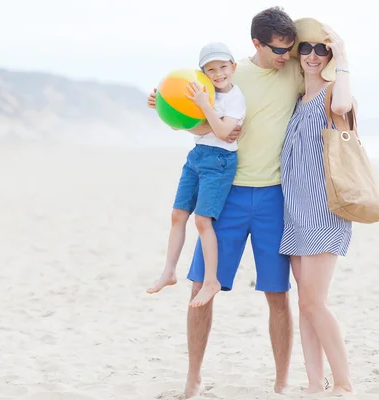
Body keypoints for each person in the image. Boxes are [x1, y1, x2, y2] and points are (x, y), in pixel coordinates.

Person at [147, 7, 304, 397]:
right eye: (278, 49)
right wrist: (163, 104)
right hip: (228, 191)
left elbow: (330, 77)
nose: (285, 55)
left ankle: (282, 380)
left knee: (277, 294)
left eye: (289, 48)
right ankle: (194, 376)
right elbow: (198, 118)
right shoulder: (228, 75)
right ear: (256, 44)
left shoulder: (295, 72)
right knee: (199, 287)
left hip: (273, 195)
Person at [279, 17, 355, 395]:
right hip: (293, 213)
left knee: (314, 301)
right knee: (305, 306)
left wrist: (341, 55)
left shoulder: (331, 93)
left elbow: (343, 103)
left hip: (325, 211)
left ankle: (342, 382)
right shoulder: (296, 100)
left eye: (319, 49)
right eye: (305, 48)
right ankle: (314, 383)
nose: (311, 55)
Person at [146, 42, 247, 308]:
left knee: (203, 221)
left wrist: (205, 106)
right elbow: (195, 128)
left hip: (220, 161)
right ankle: (168, 271)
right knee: (178, 214)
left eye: (223, 67)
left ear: (233, 67)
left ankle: (211, 280)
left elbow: (224, 133)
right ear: (203, 72)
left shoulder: (235, 97)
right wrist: (162, 107)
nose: (218, 74)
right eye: (211, 70)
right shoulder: (203, 92)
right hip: (197, 156)